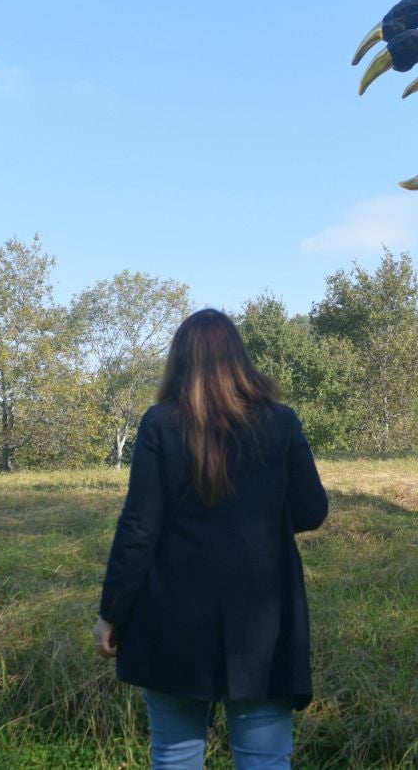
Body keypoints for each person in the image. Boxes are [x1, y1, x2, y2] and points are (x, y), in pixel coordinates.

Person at [94, 309, 328, 769]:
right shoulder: (282, 422)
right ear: (239, 359)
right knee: (265, 762)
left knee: (176, 758)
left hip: (172, 619)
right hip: (263, 624)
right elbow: (312, 510)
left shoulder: (159, 424)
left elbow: (139, 529)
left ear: (179, 361)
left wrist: (111, 615)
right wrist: (261, 521)